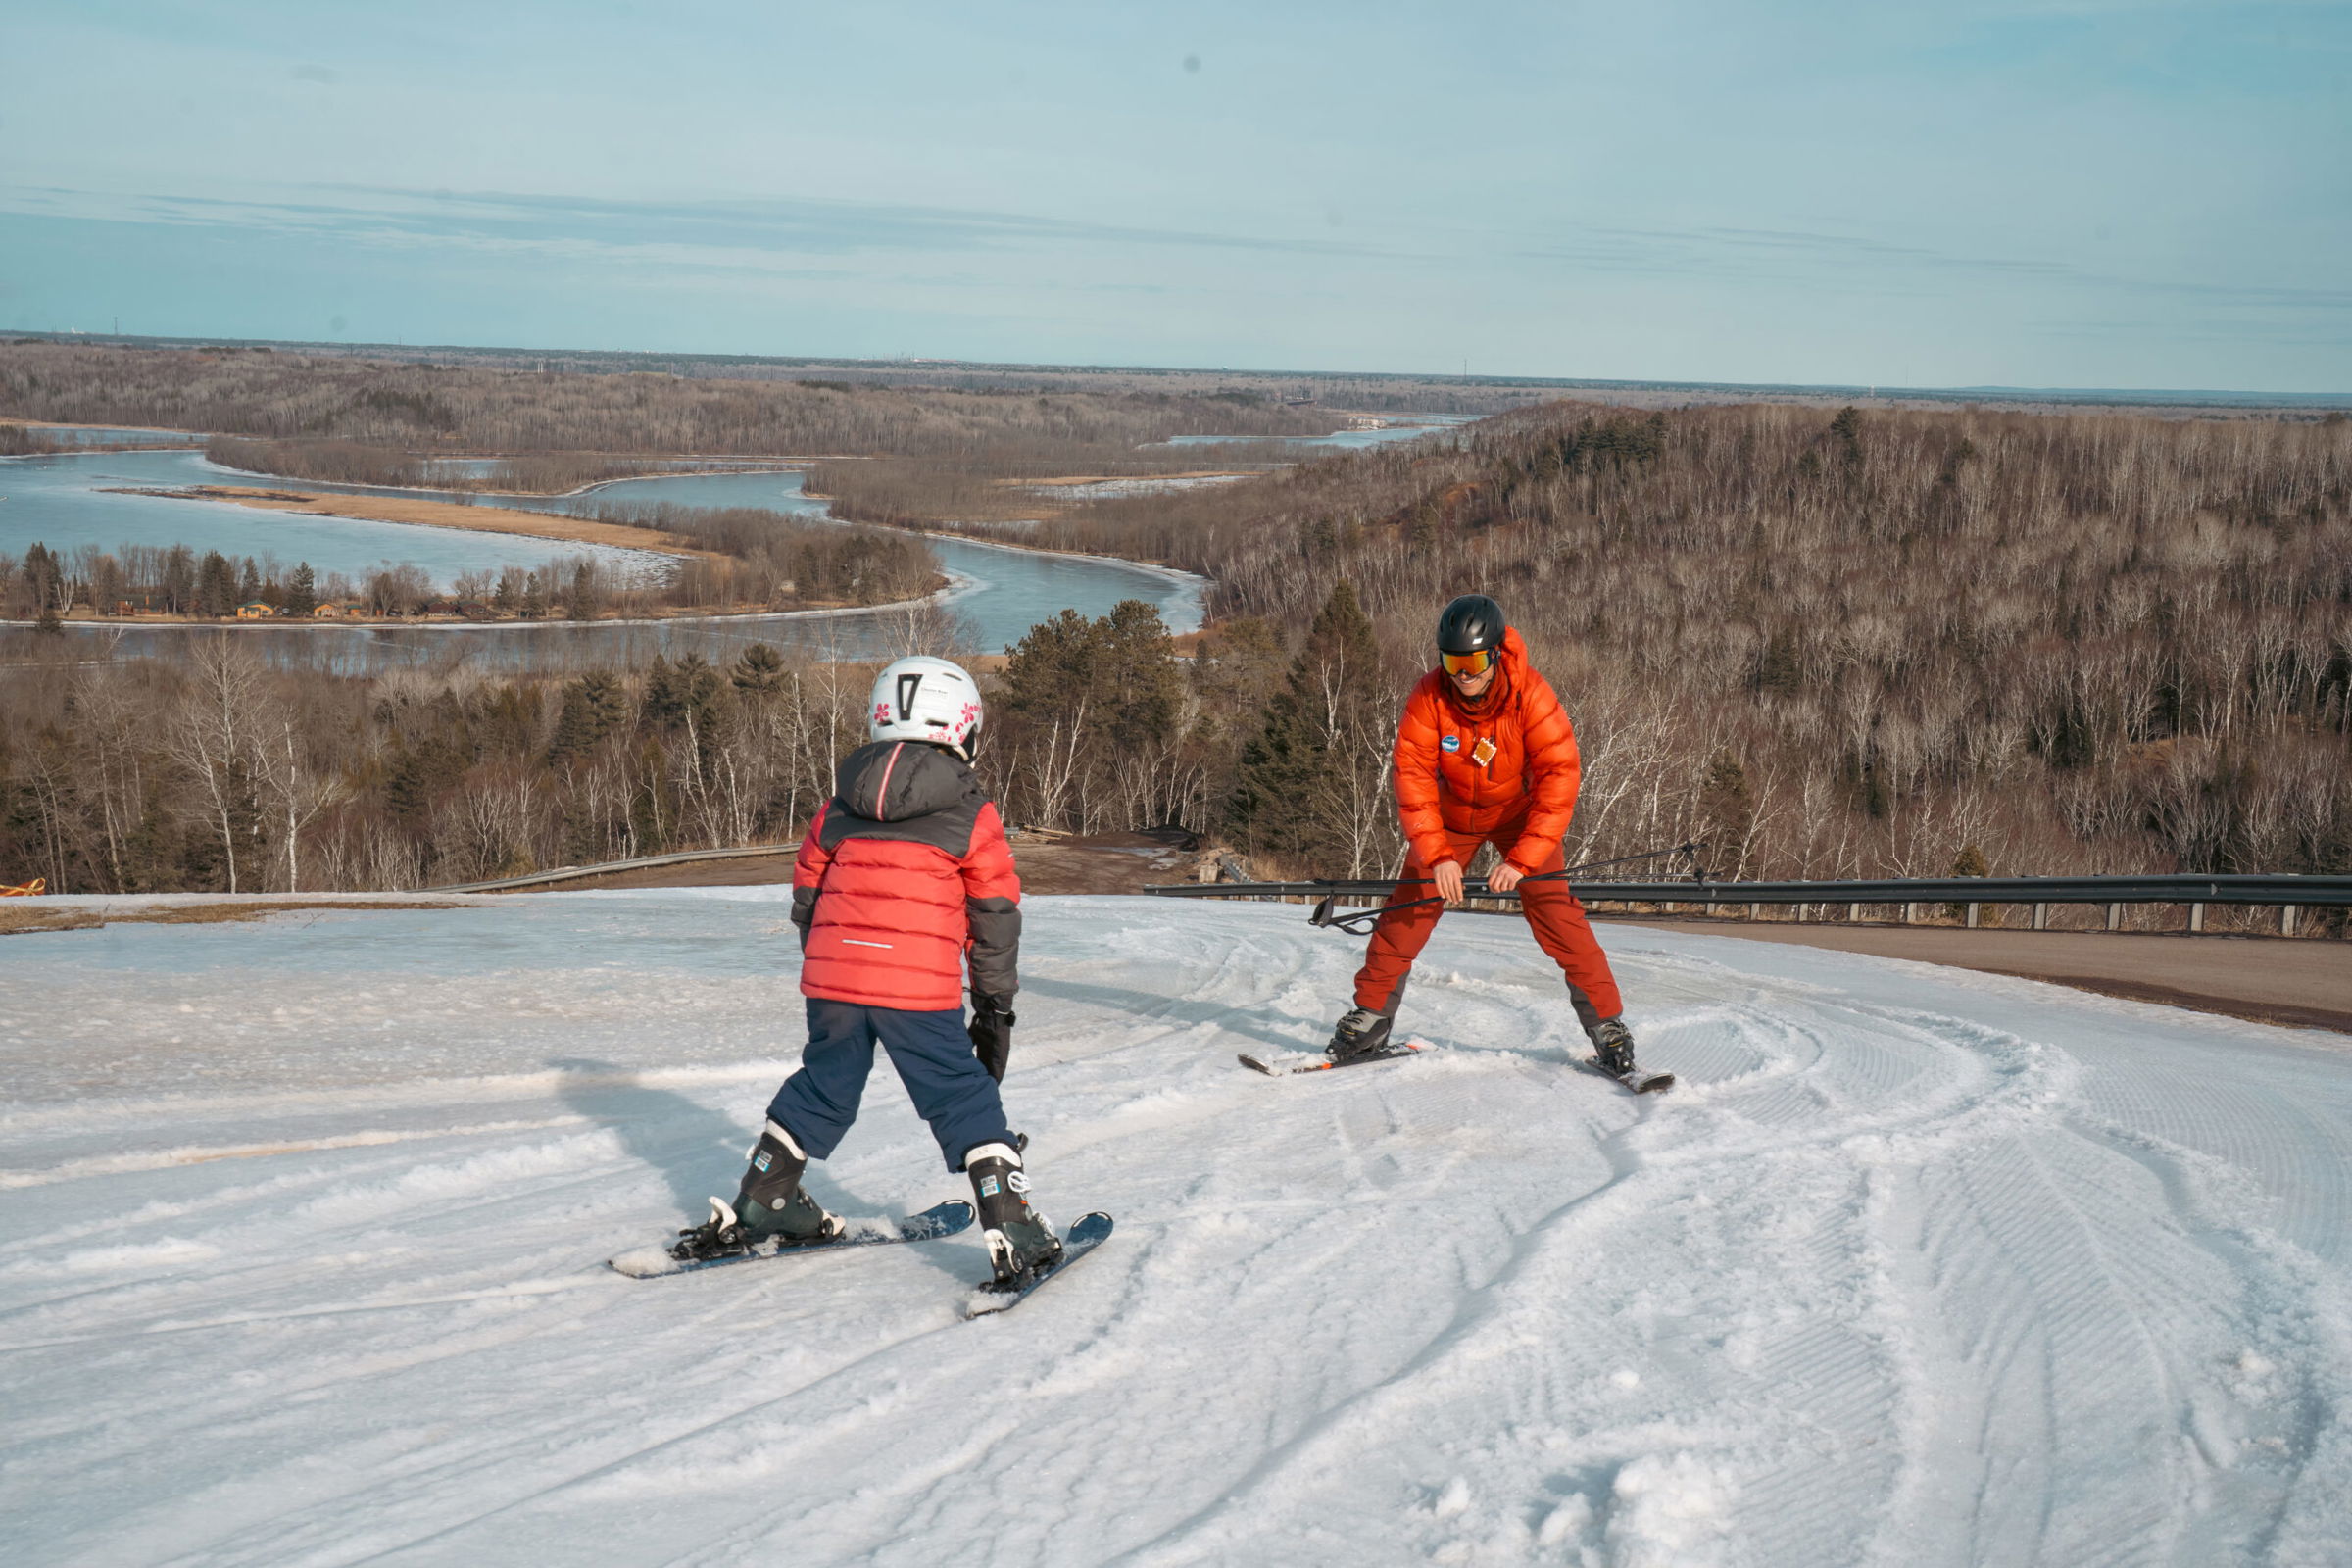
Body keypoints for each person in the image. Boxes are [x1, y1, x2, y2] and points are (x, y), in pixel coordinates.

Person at [671, 655, 1060, 1285]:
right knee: (960, 1093)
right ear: (963, 727)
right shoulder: (970, 813)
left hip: (834, 979)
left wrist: (832, 964)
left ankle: (762, 1202)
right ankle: (1013, 1226)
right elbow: (994, 915)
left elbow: (808, 894)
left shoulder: (839, 804)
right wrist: (994, 1006)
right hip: (916, 986)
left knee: (825, 1083)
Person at [1328, 595, 1644, 1076]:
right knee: (1406, 911)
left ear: (1496, 654)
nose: (1462, 674)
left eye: (1473, 661)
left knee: (1557, 913)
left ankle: (1607, 1028)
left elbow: (1560, 778)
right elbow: (1411, 777)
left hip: (1519, 816)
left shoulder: (1531, 696)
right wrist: (1436, 856)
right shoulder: (1430, 697)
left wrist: (1521, 860)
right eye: (1452, 661)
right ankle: (1370, 1019)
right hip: (1452, 819)